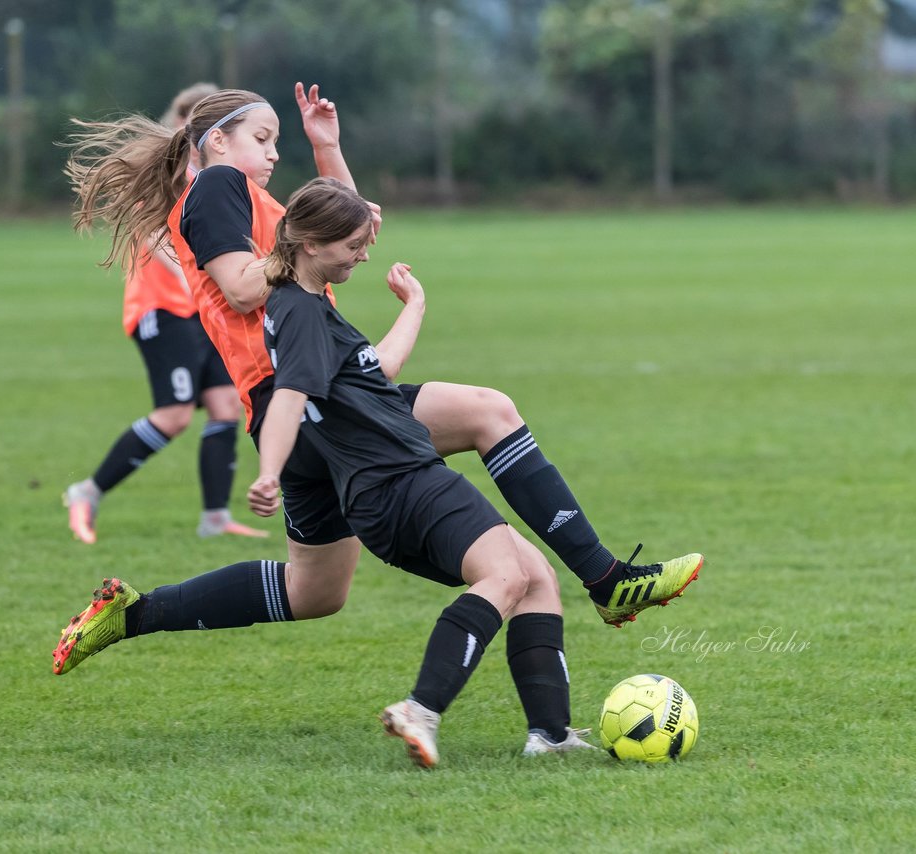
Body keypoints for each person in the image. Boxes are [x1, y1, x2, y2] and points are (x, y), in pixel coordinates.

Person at [64, 83, 702, 629]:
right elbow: (239, 288)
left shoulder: (250, 198)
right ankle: (604, 582)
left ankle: (134, 614)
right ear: (218, 142)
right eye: (264, 138)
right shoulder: (217, 188)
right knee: (489, 415)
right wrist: (303, 248)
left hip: (315, 394)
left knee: (315, 593)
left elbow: (340, 228)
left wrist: (327, 150)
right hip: (312, 394)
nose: (273, 152)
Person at [55, 178, 614, 767]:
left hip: (379, 492)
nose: (364, 253)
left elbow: (376, 369)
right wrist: (268, 471)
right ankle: (423, 709)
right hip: (404, 481)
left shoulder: (305, 302)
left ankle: (549, 735)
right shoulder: (298, 314)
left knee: (523, 576)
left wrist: (416, 306)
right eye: (353, 243)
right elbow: (291, 396)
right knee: (505, 575)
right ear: (312, 244)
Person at [61, 83, 267, 544]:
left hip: (203, 311)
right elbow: (153, 236)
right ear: (186, 126)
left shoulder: (219, 178)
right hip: (163, 310)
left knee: (224, 405)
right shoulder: (171, 173)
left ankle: (215, 518)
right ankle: (87, 491)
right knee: (173, 415)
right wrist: (192, 277)